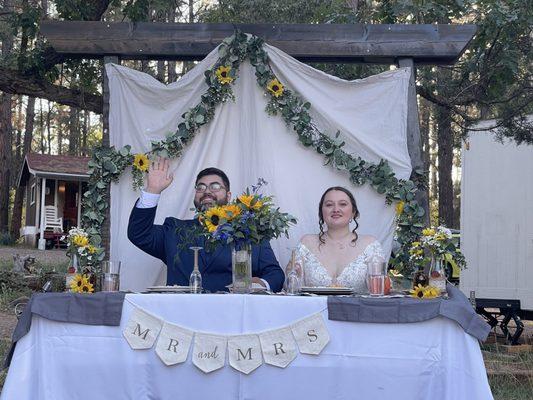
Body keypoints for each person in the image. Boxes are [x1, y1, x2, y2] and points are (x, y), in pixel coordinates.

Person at [127, 158, 285, 292]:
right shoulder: (174, 230)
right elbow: (139, 234)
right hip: (180, 320)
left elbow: (276, 275)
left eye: (215, 187)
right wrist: (152, 190)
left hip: (234, 320)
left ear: (228, 195)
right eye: (200, 187)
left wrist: (260, 284)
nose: (207, 191)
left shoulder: (250, 233)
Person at [295, 186, 384, 293]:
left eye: (343, 204)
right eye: (329, 205)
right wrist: (291, 274)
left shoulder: (370, 244)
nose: (336, 209)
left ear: (353, 212)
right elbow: (293, 290)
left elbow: (379, 291)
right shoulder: (307, 243)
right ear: (321, 212)